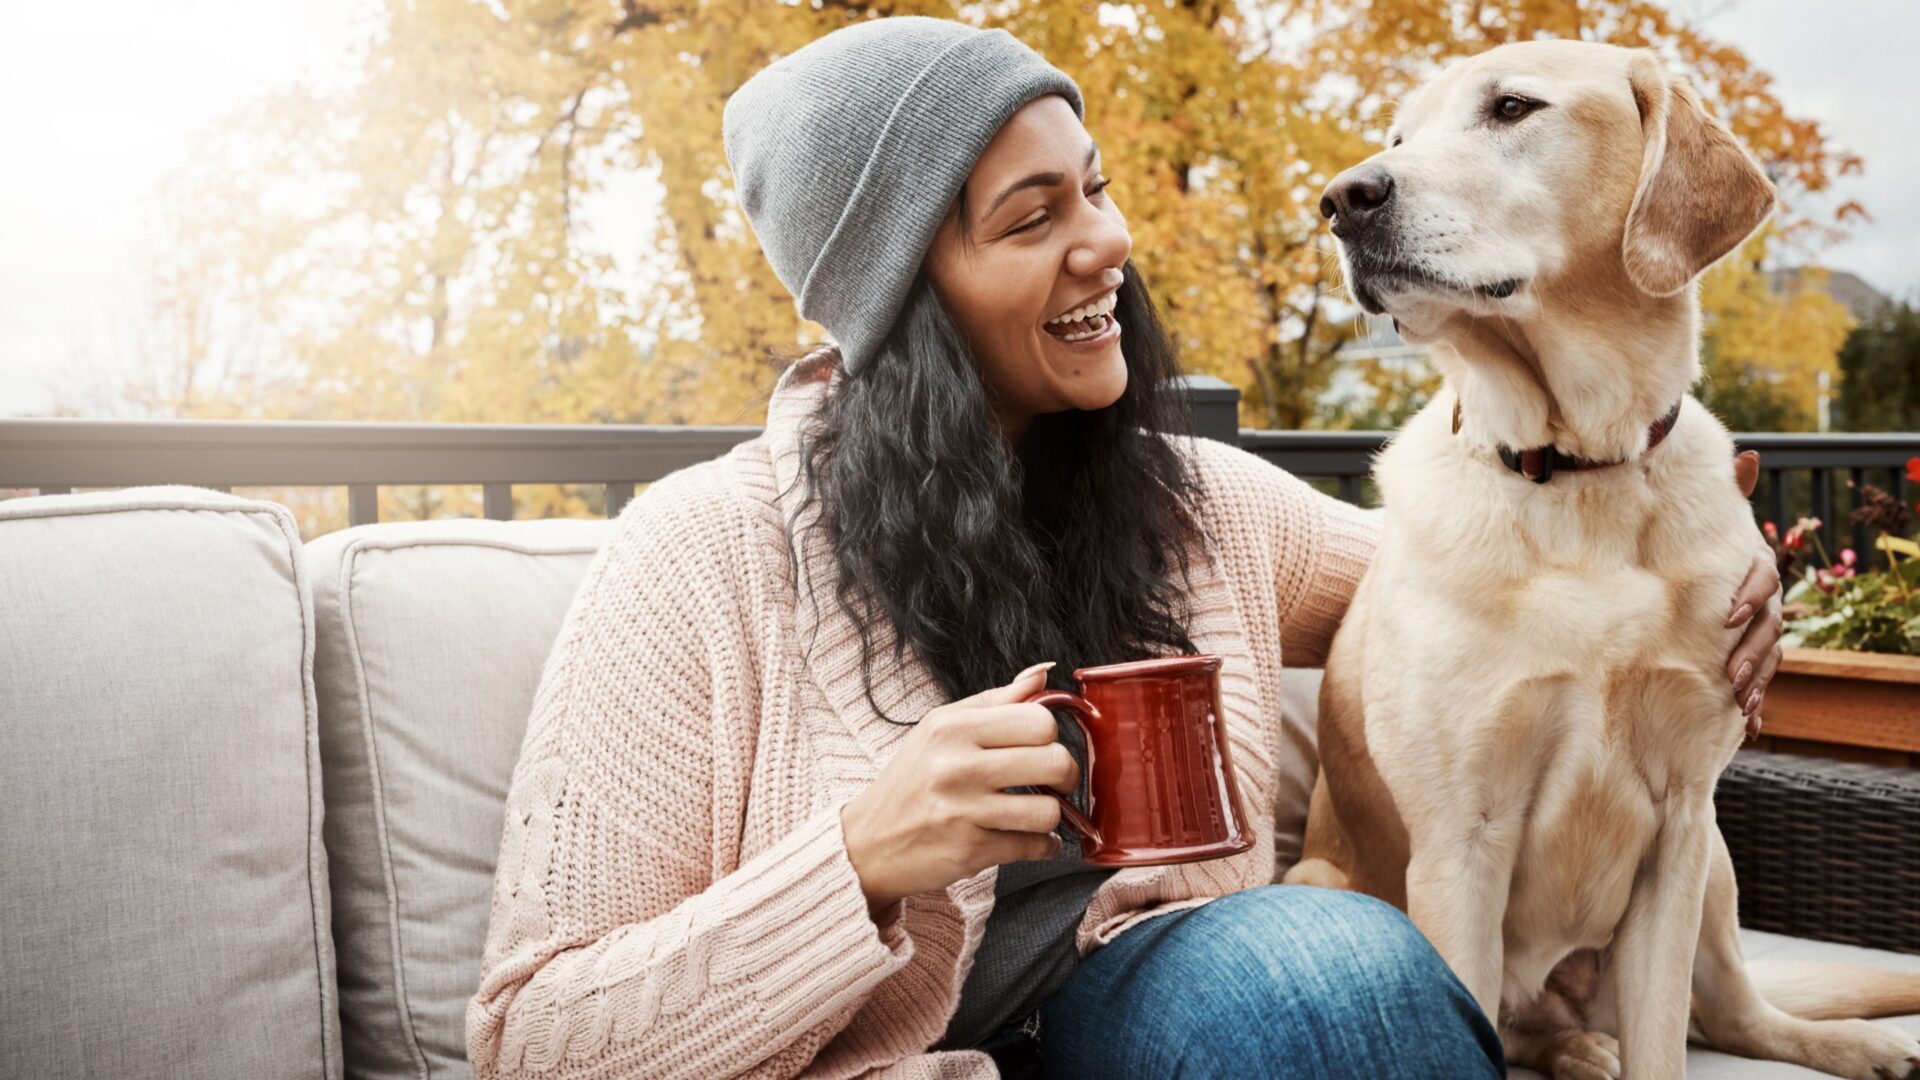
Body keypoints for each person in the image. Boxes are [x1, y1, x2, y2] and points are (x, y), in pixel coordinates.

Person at [465, 16, 1785, 1079]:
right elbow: (532, 1041)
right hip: (877, 1056)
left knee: (1326, 973)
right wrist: (857, 859)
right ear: (906, 302)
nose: (1108, 241)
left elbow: (1479, 580)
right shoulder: (695, 559)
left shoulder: (1204, 505)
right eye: (1032, 220)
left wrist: (1707, 585)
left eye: (1091, 186)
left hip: (1160, 996)